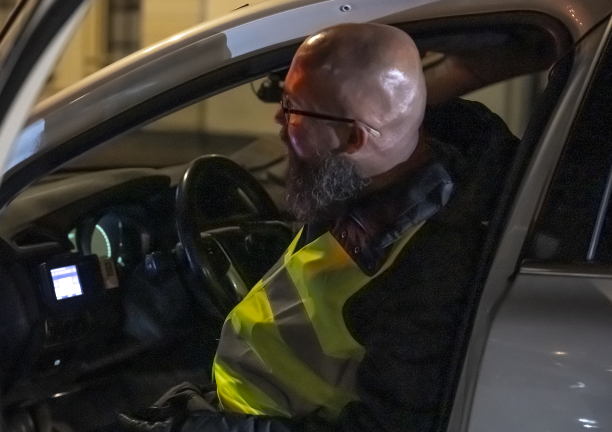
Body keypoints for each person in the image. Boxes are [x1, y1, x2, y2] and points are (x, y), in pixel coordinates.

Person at [120, 23, 517, 432]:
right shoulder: (363, 179)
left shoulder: (432, 269)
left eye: (292, 108)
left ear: (351, 137)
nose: (278, 117)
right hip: (237, 397)